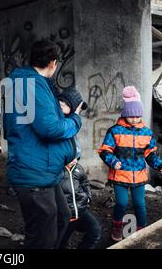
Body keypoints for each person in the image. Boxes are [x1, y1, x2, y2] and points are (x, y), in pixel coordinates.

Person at [3, 39, 84, 249]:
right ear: (53, 63)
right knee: (42, 236)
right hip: (34, 173)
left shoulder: (25, 83)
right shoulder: (32, 84)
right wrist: (75, 119)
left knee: (61, 219)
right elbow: (50, 129)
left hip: (43, 169)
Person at [98, 86, 162, 242]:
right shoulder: (115, 131)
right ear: (125, 114)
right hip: (120, 175)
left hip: (139, 176)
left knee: (139, 205)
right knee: (121, 203)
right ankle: (117, 225)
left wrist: (159, 165)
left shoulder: (147, 133)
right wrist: (113, 161)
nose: (135, 119)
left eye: (138, 116)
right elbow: (104, 150)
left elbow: (150, 154)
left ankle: (141, 230)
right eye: (131, 116)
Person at [57, 88, 102, 249]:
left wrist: (87, 197)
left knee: (95, 231)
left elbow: (84, 182)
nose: (61, 106)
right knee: (60, 243)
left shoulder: (77, 168)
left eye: (65, 104)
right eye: (60, 102)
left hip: (79, 210)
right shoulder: (56, 126)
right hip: (63, 213)